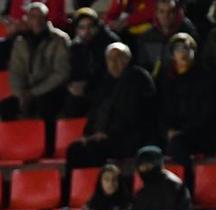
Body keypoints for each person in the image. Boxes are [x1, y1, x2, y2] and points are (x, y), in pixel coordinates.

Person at [65, 42, 156, 171]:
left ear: (128, 60)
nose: (114, 62)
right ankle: (74, 189)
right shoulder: (105, 83)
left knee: (93, 149)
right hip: (104, 137)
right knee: (75, 149)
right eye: (110, 59)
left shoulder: (137, 78)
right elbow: (94, 112)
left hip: (129, 137)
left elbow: (133, 114)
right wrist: (89, 134)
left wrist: (108, 134)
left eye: (119, 58)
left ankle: (104, 186)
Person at [157, 33, 216, 190]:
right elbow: (162, 111)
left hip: (201, 133)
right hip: (174, 134)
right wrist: (167, 130)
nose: (183, 52)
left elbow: (207, 113)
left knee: (177, 145)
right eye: (178, 49)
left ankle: (186, 189)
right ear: (172, 54)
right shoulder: (167, 79)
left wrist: (182, 132)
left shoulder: (206, 77)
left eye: (187, 48)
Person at [0, 2, 71, 123]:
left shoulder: (59, 39)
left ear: (46, 18)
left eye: (40, 17)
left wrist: (33, 93)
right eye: (33, 16)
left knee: (46, 106)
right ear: (27, 19)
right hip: (27, 92)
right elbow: (16, 71)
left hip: (52, 91)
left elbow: (61, 73)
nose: (37, 21)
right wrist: (20, 94)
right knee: (6, 107)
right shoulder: (20, 42)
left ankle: (48, 140)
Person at [64, 8, 121, 117]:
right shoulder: (76, 46)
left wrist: (86, 87)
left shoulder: (110, 43)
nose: (86, 31)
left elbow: (111, 75)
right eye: (82, 27)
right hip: (84, 89)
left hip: (105, 89)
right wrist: (73, 85)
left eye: (91, 26)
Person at [135, 0, 199, 78]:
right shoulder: (146, 38)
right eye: (162, 12)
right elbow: (143, 68)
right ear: (156, 13)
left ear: (177, 13)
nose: (166, 16)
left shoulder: (189, 35)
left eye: (171, 12)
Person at [131, 145, 192, 210]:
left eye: (148, 165)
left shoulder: (175, 187)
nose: (144, 169)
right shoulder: (142, 193)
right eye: (142, 166)